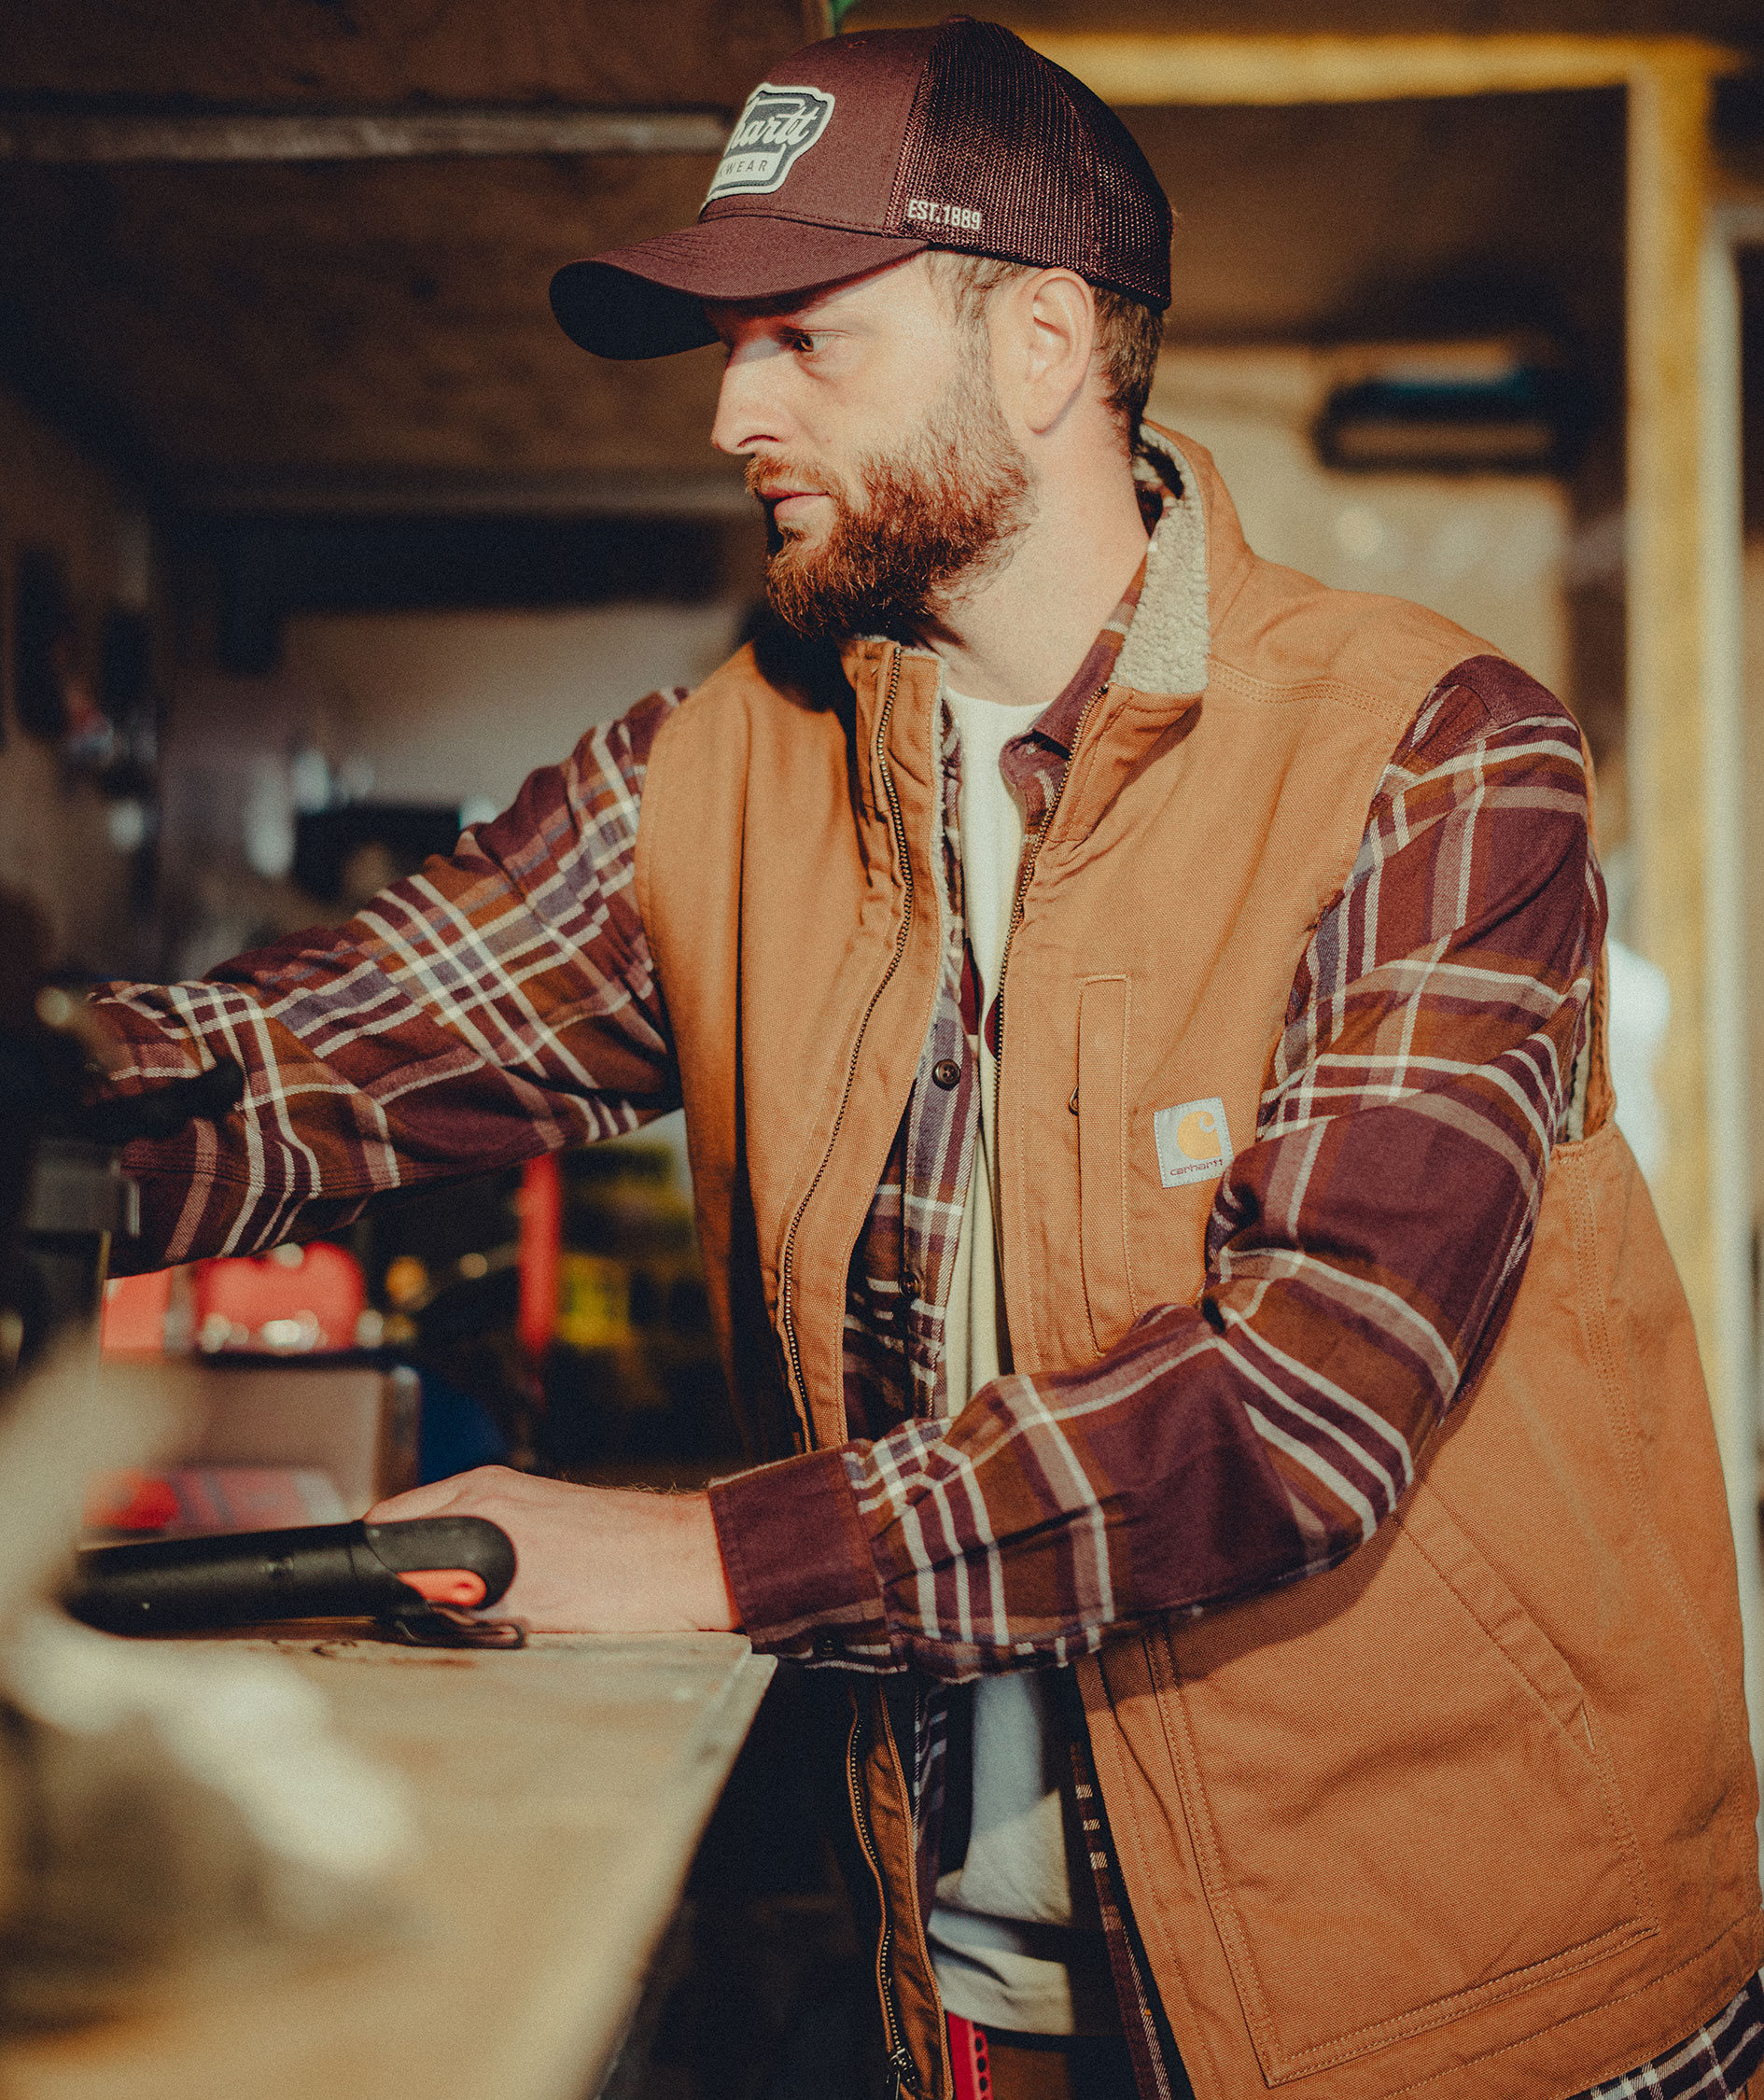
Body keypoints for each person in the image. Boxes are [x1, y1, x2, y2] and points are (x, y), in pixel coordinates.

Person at [90, 21, 1762, 2100]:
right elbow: (305, 1056)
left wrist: (698, 1558)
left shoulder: (1426, 754)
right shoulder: (722, 775)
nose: (730, 412)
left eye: (802, 338)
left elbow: (1303, 1402)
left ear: (1043, 344)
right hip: (978, 1997)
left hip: (1469, 2020)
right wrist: (49, 1126)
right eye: (730, 346)